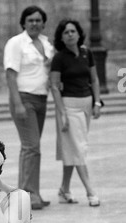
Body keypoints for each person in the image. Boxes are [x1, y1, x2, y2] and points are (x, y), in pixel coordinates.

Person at [4, 6, 54, 210]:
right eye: (30, 20)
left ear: (43, 23)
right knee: (31, 146)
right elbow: (10, 74)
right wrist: (17, 103)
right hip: (24, 98)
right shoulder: (16, 43)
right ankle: (26, 194)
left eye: (38, 20)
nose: (34, 23)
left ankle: (34, 192)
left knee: (34, 148)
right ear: (23, 23)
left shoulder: (46, 43)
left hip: (41, 98)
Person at [50, 19, 101, 206]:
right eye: (66, 32)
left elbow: (94, 80)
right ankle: (90, 191)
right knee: (79, 148)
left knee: (73, 148)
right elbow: (54, 86)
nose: (70, 34)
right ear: (61, 38)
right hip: (68, 106)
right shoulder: (59, 58)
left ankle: (64, 189)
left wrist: (97, 102)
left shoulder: (87, 53)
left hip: (87, 103)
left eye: (73, 31)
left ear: (79, 33)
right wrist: (62, 112)